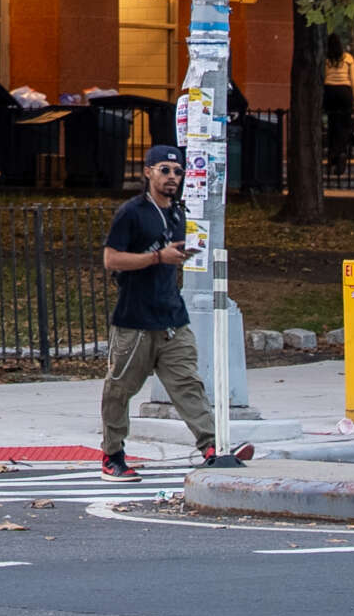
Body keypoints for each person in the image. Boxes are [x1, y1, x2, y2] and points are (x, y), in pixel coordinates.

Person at [97, 145, 249, 477]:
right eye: (164, 170)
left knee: (188, 384)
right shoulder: (132, 213)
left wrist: (179, 256)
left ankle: (212, 446)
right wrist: (156, 258)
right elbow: (111, 259)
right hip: (135, 319)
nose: (172, 177)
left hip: (172, 317)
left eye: (178, 172)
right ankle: (113, 454)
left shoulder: (178, 213)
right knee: (120, 388)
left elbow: (170, 255)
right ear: (147, 172)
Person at [323, 35, 354, 177]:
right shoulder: (348, 59)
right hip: (344, 91)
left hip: (330, 91)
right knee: (345, 126)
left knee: (333, 124)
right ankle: (340, 152)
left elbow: (323, 77)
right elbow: (353, 80)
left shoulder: (326, 59)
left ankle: (332, 154)